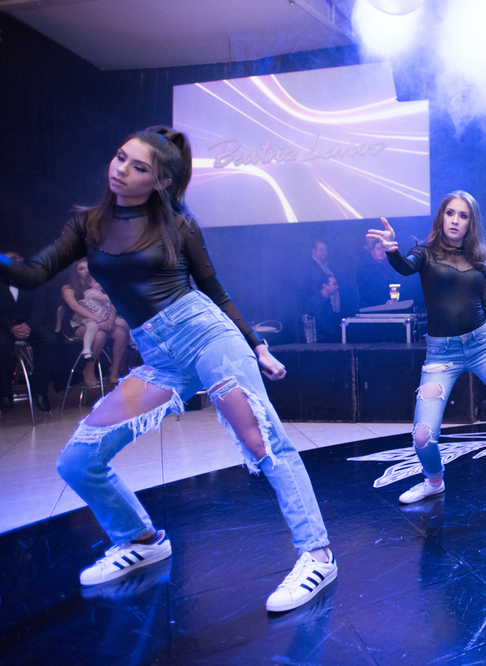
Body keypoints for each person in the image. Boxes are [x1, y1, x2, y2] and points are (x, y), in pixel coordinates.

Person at [0, 127, 336, 613]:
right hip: (158, 358)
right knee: (77, 459)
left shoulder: (178, 224)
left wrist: (257, 345)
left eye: (138, 167)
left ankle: (317, 555)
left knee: (261, 440)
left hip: (207, 337)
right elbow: (33, 274)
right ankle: (140, 540)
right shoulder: (87, 225)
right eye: (119, 157)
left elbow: (215, 291)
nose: (121, 169)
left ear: (159, 180)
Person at [367, 191, 486, 504]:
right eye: (451, 213)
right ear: (442, 216)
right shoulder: (424, 253)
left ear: (470, 223)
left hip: (483, 346)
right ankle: (434, 481)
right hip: (441, 354)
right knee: (422, 436)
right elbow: (405, 268)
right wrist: (392, 251)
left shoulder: (479, 261)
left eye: (463, 216)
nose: (455, 220)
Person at [0, 250, 56, 413]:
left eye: (14, 258)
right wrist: (12, 327)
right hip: (5, 327)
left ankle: (39, 390)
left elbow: (39, 309)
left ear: (21, 259)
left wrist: (27, 326)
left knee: (49, 340)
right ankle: (5, 394)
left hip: (30, 325)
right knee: (1, 345)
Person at [62, 259, 130, 385]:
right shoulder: (69, 288)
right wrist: (98, 320)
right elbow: (75, 307)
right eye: (81, 268)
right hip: (80, 323)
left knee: (121, 333)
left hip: (103, 319)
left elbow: (113, 303)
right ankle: (88, 369)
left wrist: (110, 320)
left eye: (88, 267)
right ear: (75, 272)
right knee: (99, 335)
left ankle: (115, 371)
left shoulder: (100, 284)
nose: (86, 271)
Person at [304, 274, 343, 343]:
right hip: (321, 343)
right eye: (334, 284)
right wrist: (345, 333)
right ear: (324, 286)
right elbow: (327, 328)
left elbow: (333, 320)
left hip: (326, 339)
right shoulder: (318, 302)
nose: (337, 286)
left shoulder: (325, 301)